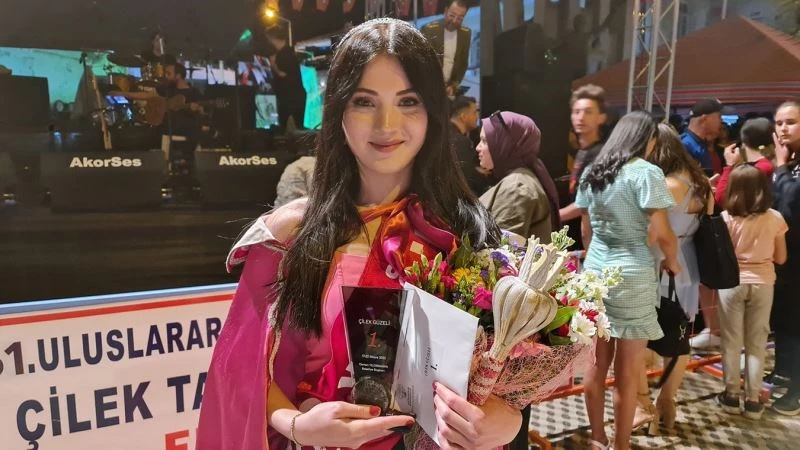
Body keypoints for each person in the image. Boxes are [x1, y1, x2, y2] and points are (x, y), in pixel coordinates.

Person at [196, 18, 522, 450]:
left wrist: (507, 421)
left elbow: (503, 379)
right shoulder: (289, 235)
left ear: (432, 113)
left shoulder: (467, 233)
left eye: (408, 101)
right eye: (364, 101)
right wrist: (297, 424)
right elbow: (242, 370)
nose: (387, 124)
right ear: (338, 110)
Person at [575, 111, 679, 450]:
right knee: (627, 372)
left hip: (595, 272)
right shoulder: (646, 173)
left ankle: (597, 439)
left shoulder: (593, 172)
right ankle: (621, 445)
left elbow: (586, 230)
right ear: (647, 139)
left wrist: (595, 262)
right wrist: (673, 261)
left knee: (595, 364)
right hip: (632, 274)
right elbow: (663, 232)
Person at [637, 123, 713, 434]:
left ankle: (646, 409)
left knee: (639, 338)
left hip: (661, 266)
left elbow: (651, 234)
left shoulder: (667, 185)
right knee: (680, 337)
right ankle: (668, 402)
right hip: (689, 264)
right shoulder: (701, 182)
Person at [715, 164, 787, 420]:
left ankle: (731, 395)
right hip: (764, 282)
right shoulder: (775, 218)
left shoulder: (726, 219)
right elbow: (781, 257)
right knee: (757, 342)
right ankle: (754, 400)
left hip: (732, 283)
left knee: (731, 341)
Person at [477, 111, 559, 242]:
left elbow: (502, 249)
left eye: (485, 141)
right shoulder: (519, 179)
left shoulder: (516, 187)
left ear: (504, 143)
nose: (478, 147)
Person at [770, 100, 800, 416]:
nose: (782, 129)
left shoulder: (786, 166)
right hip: (787, 259)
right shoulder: (790, 163)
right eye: (778, 123)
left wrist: (780, 167)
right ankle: (785, 373)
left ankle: (796, 393)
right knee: (786, 321)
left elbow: (789, 208)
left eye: (790, 122)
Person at [560, 84, 608, 224]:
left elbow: (589, 200)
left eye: (588, 112)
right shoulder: (582, 151)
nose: (581, 117)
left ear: (601, 117)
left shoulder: (601, 154)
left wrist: (555, 216)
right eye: (576, 112)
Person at [712, 118, 775, 206]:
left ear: (743, 143)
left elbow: (721, 197)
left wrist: (730, 165)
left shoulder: (760, 168)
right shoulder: (769, 164)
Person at [420, 0, 472, 96]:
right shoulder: (429, 30)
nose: (454, 21)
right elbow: (421, 62)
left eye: (460, 18)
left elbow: (463, 64)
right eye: (452, 15)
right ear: (445, 11)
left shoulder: (465, 34)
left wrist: (453, 86)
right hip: (429, 88)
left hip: (448, 90)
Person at [266, 25, 307, 132]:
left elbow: (283, 74)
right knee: (296, 128)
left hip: (290, 97)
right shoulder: (288, 52)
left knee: (287, 129)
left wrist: (273, 65)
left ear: (274, 38)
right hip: (295, 96)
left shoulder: (284, 54)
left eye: (269, 38)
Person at [449, 95, 486, 195]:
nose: (477, 117)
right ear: (463, 116)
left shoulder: (445, 133)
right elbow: (467, 179)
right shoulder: (460, 141)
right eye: (474, 113)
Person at [681, 98, 723, 175]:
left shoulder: (699, 143)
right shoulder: (684, 145)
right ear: (705, 119)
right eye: (719, 117)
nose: (721, 121)